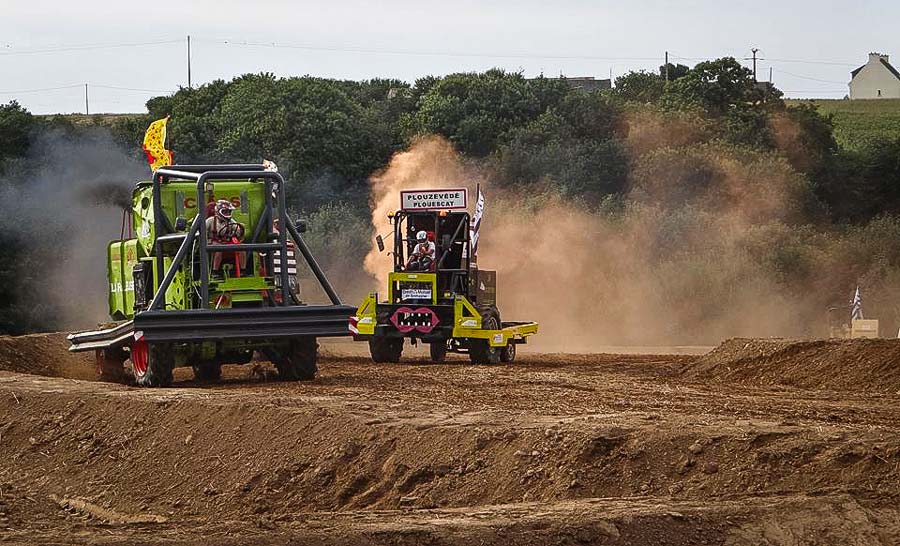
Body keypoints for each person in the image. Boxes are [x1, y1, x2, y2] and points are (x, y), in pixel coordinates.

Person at [206, 199, 246, 273]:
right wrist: (208, 241)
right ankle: (215, 272)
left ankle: (243, 270)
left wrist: (239, 230)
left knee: (242, 248)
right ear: (218, 211)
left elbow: (237, 230)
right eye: (225, 212)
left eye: (229, 212)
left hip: (227, 242)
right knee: (219, 249)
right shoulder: (210, 220)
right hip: (213, 242)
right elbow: (202, 233)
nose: (227, 214)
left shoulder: (231, 221)